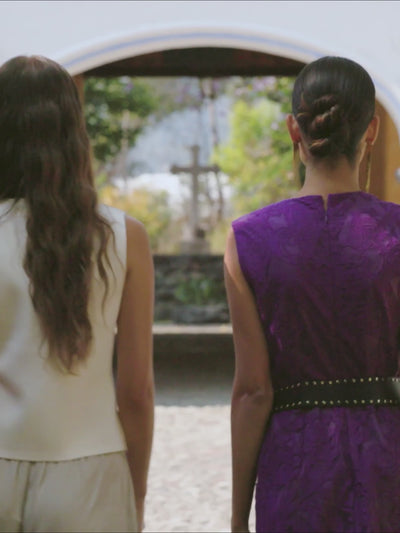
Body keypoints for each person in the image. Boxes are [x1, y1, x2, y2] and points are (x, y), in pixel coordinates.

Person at [225, 55, 400, 533]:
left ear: (293, 130)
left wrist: (238, 517)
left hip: (294, 465)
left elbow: (253, 391)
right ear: (371, 131)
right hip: (386, 461)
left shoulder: (248, 239)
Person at [0, 56, 154, 533]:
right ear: (74, 130)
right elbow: (135, 392)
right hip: (91, 472)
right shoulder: (124, 237)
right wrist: (136, 492)